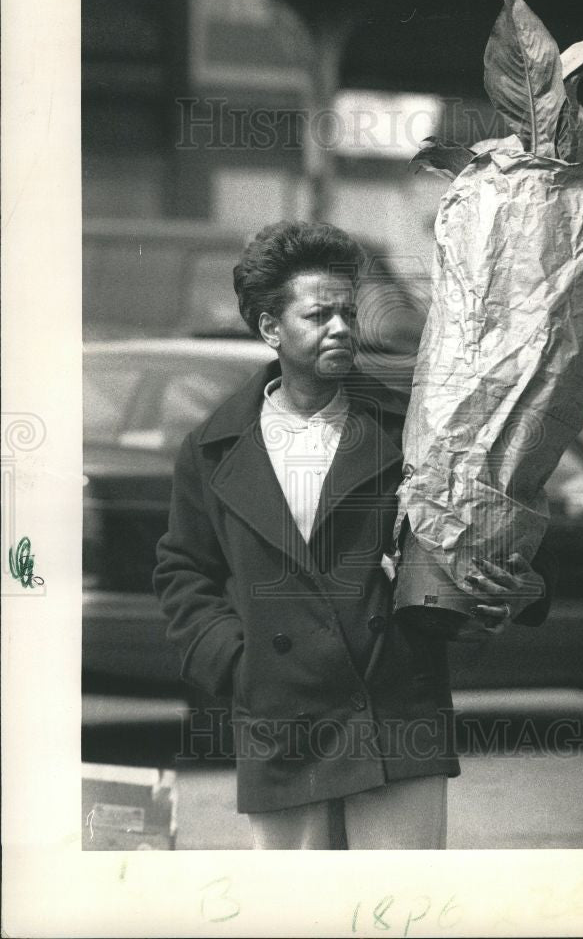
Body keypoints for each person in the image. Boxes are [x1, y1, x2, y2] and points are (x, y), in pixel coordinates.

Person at [153, 220, 552, 850]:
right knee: (295, 914)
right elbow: (184, 569)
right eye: (318, 316)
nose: (340, 328)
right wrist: (236, 663)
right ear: (269, 329)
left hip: (395, 713)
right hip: (282, 719)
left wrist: (512, 591)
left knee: (402, 911)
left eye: (346, 312)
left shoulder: (415, 431)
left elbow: (474, 540)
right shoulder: (211, 447)